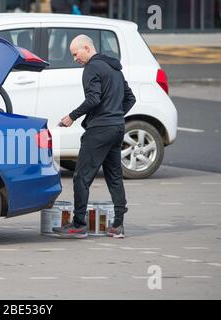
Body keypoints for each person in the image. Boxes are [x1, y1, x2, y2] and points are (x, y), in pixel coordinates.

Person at [52, 35, 136, 239]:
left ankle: (79, 224)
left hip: (99, 131)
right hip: (117, 128)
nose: (75, 59)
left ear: (87, 48)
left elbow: (93, 98)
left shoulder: (91, 68)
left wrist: (72, 116)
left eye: (75, 54)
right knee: (114, 177)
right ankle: (118, 225)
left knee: (81, 177)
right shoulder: (115, 68)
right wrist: (114, 115)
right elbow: (130, 98)